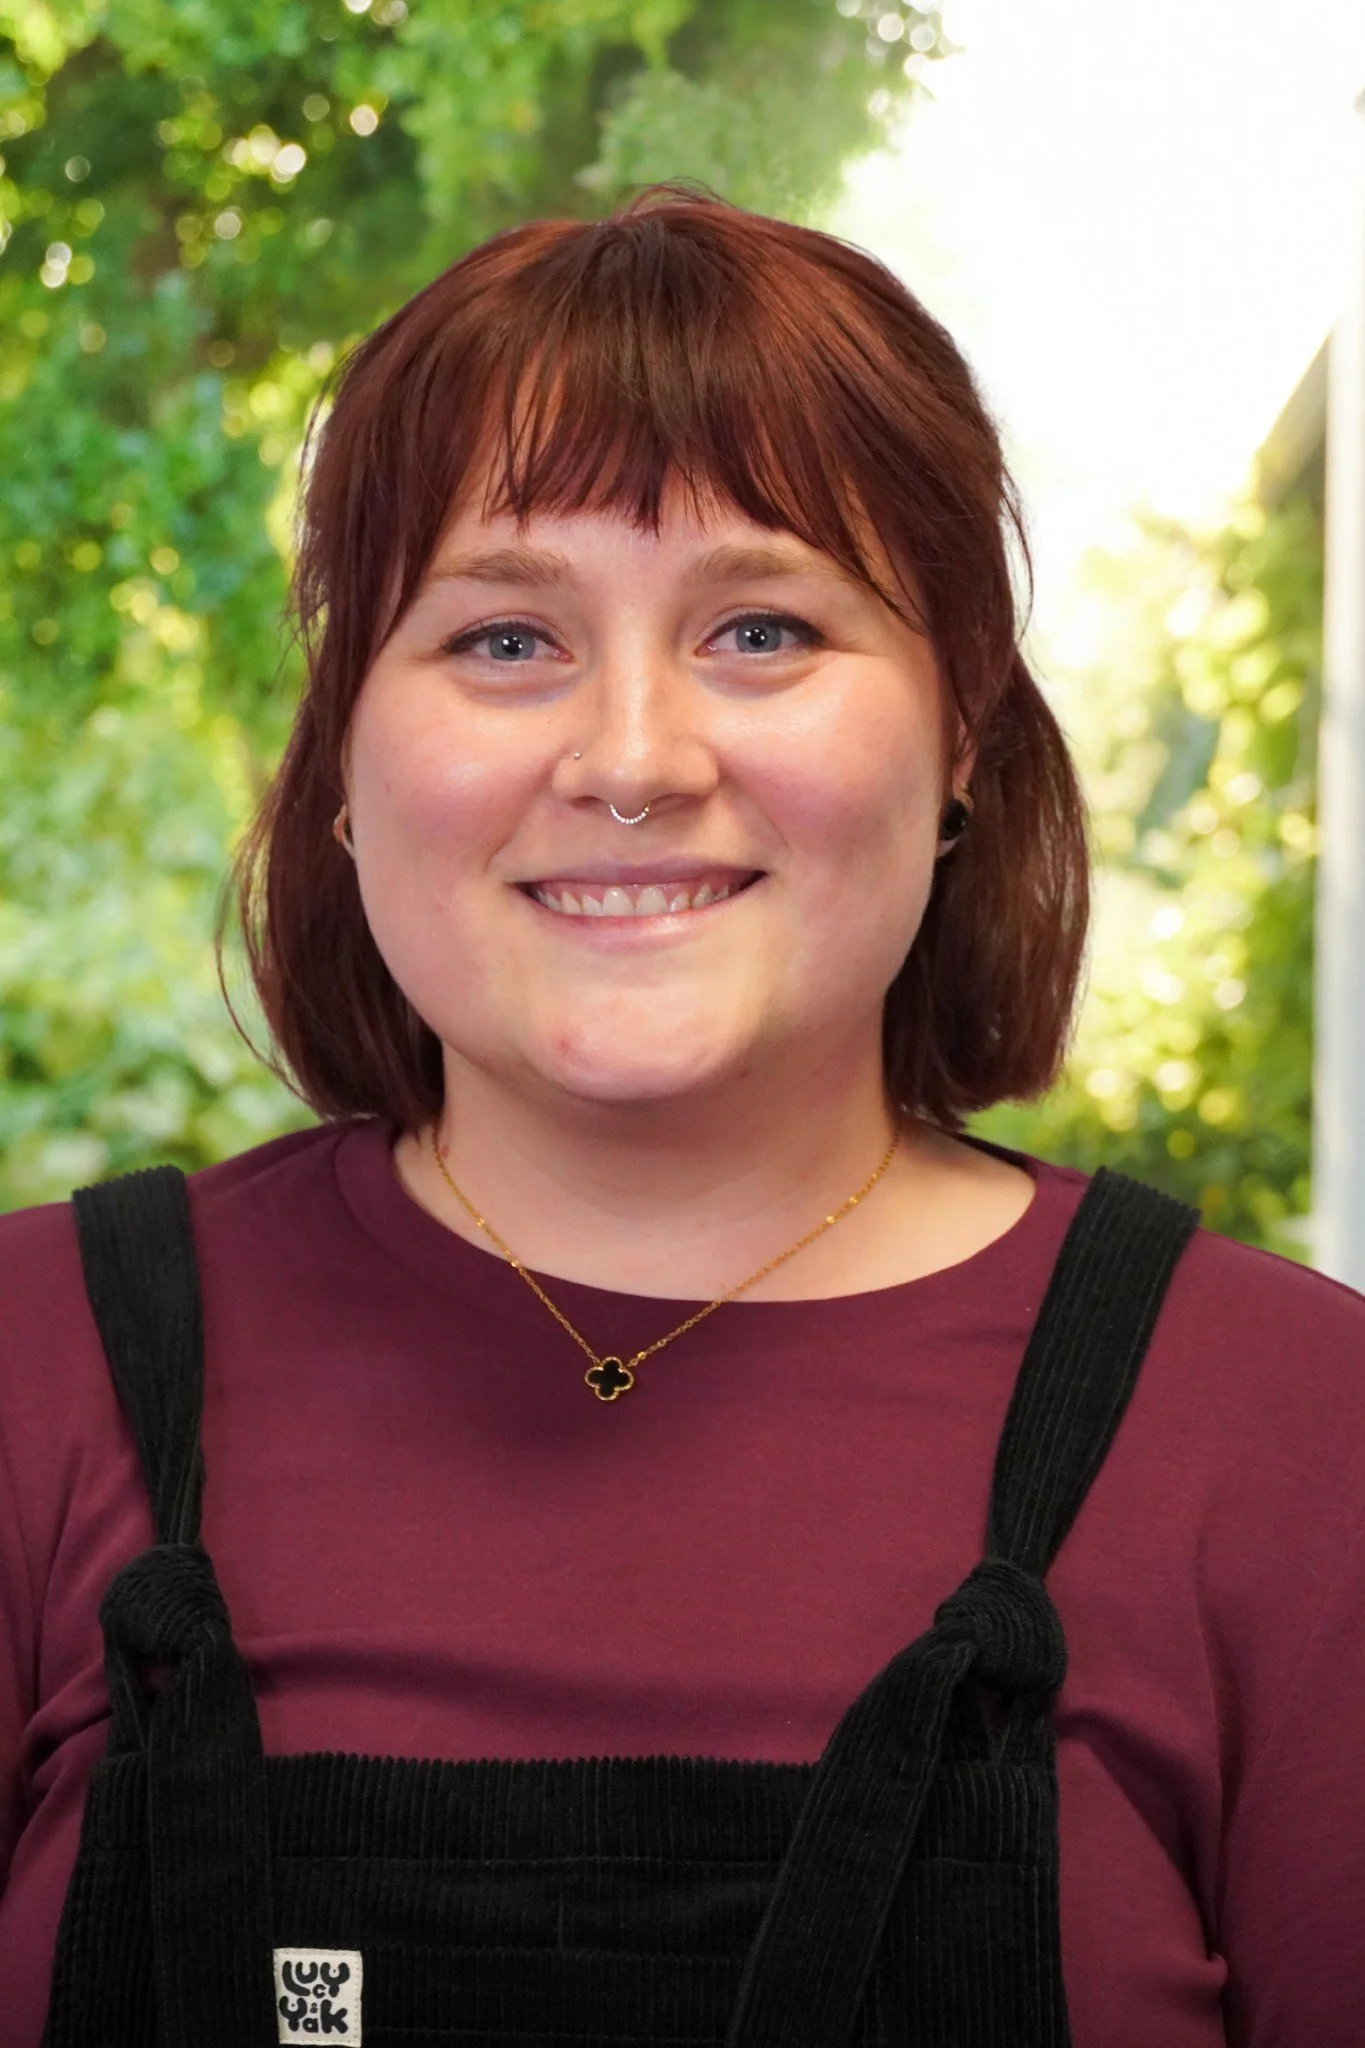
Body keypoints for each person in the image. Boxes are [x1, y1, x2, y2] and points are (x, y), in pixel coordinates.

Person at [1, 184, 1362, 2048]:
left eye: (762, 631)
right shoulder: (29, 1371)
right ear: (341, 757)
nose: (634, 759)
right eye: (502, 639)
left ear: (961, 730)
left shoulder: (1298, 1434)